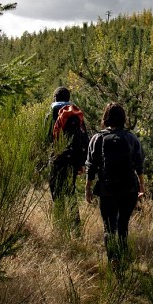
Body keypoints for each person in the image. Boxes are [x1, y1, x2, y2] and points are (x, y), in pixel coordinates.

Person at [84, 102, 145, 268]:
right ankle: (124, 258)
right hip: (128, 188)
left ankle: (113, 260)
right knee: (123, 224)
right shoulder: (131, 138)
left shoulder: (98, 138)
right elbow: (139, 163)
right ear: (123, 118)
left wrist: (88, 187)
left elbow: (91, 165)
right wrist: (141, 185)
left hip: (107, 189)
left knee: (108, 227)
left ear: (106, 117)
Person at [47, 86, 88, 233]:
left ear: (55, 98)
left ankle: (60, 229)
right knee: (70, 193)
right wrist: (80, 163)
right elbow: (85, 140)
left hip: (56, 160)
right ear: (68, 98)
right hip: (72, 162)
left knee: (57, 195)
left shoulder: (51, 114)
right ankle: (76, 229)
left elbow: (46, 139)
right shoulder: (76, 115)